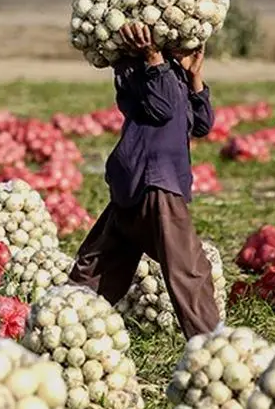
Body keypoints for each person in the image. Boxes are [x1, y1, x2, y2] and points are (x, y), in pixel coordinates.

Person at [67, 21, 222, 339]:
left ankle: (63, 321)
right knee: (190, 270)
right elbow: (162, 108)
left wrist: (194, 76)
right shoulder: (132, 65)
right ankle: (211, 346)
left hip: (142, 181)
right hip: (153, 181)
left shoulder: (173, 70)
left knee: (100, 265)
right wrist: (151, 57)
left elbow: (203, 124)